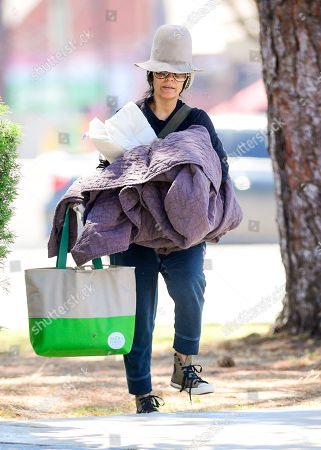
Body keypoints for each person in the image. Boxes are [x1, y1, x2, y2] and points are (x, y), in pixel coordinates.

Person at [101, 24, 229, 414]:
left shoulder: (197, 120)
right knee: (139, 315)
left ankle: (185, 366)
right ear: (151, 76)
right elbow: (106, 168)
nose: (169, 80)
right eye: (162, 72)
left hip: (182, 235)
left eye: (176, 73)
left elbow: (217, 167)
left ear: (186, 77)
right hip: (137, 234)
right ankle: (142, 394)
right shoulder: (128, 118)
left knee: (191, 288)